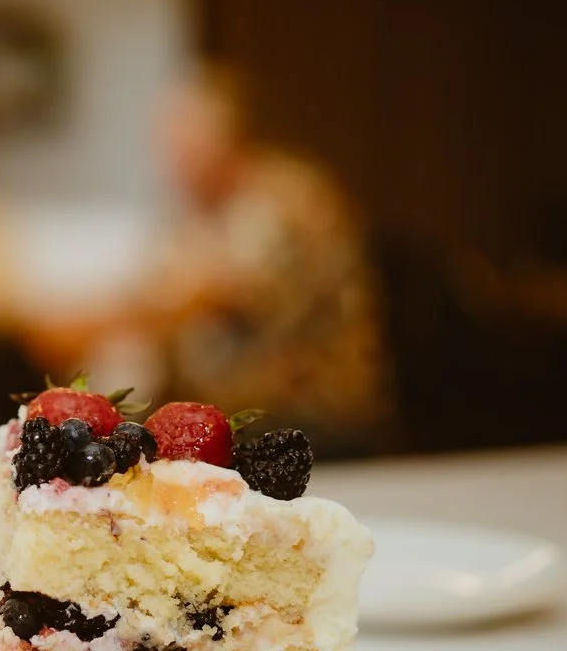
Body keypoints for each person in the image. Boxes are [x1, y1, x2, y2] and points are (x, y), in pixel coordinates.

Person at [127, 65, 387, 442]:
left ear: (232, 135)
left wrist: (81, 325)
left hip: (314, 423)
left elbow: (213, 293)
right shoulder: (189, 214)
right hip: (236, 422)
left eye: (186, 130)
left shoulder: (288, 199)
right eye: (166, 133)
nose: (171, 148)